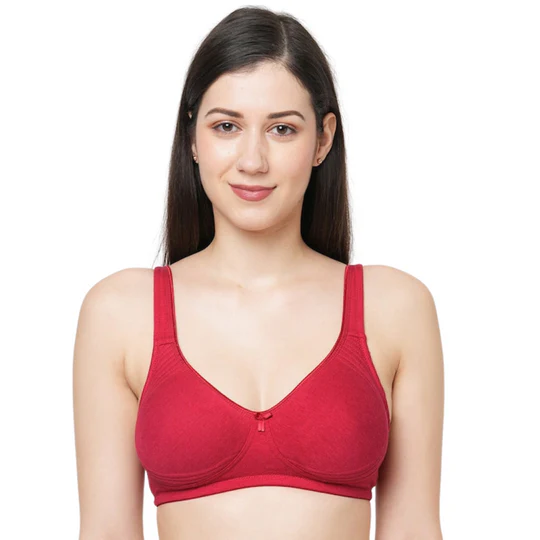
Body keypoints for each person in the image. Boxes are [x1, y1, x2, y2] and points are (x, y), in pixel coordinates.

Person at [73, 6, 444, 540]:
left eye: (282, 129)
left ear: (323, 140)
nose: (252, 160)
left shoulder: (396, 307)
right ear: (192, 138)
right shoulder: (119, 313)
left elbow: (413, 528)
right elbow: (106, 531)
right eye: (226, 126)